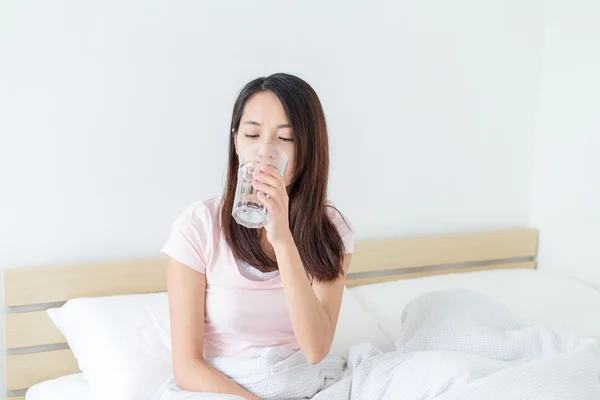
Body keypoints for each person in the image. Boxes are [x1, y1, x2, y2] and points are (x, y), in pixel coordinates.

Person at [160, 73, 355, 399]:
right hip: (225, 388)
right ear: (236, 141)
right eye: (252, 134)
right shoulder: (198, 226)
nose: (265, 151)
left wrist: (283, 240)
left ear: (309, 148)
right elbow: (187, 367)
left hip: (302, 381)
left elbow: (316, 350)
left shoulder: (330, 228)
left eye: (286, 139)